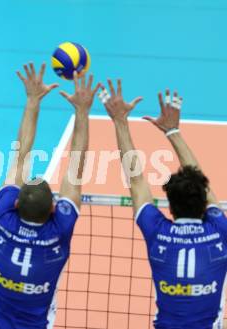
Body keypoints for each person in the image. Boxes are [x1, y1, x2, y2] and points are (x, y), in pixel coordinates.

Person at [0, 63, 100, 329]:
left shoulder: (4, 220)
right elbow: (75, 170)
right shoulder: (60, 231)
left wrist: (32, 100)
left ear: (15, 203)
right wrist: (82, 111)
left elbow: (20, 158)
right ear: (54, 209)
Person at [101, 81, 227, 328]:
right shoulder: (220, 230)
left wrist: (120, 121)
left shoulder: (158, 232)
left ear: (169, 206)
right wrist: (172, 132)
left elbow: (135, 179)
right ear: (204, 202)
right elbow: (205, 188)